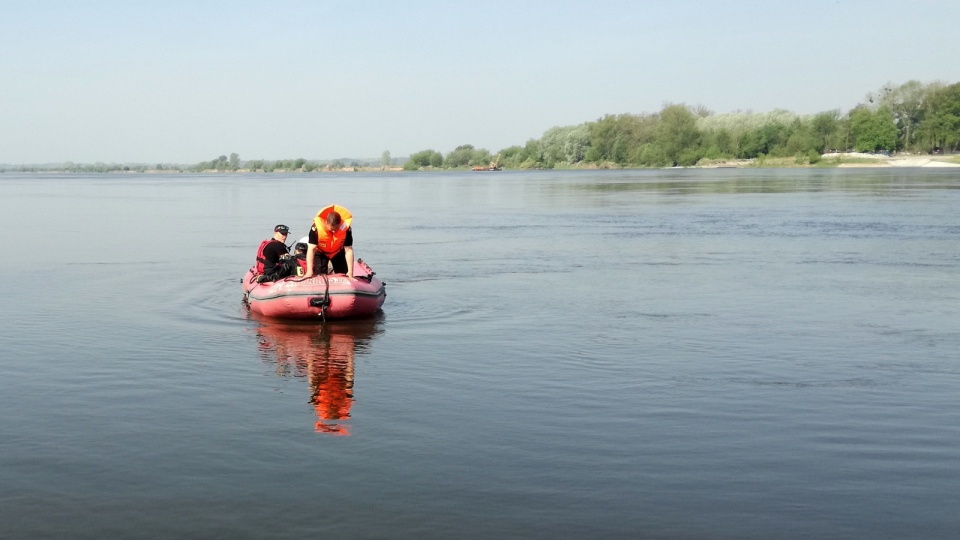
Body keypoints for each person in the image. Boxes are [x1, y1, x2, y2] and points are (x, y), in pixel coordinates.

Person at [305, 205, 354, 279]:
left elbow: (348, 250)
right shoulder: (316, 229)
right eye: (331, 229)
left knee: (344, 275)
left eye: (336, 229)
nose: (334, 231)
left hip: (338, 252)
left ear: (340, 224)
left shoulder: (346, 229)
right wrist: (309, 271)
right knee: (320, 277)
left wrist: (350, 272)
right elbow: (311, 249)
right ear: (326, 223)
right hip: (321, 252)